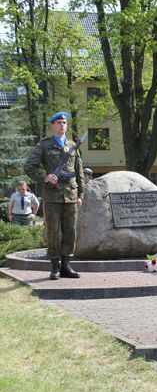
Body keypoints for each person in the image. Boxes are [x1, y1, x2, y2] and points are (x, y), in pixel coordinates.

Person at [24, 111, 84, 280]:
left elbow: (78, 172)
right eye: (58, 122)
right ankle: (55, 267)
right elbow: (29, 167)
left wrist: (80, 194)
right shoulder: (44, 145)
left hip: (71, 196)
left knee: (70, 231)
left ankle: (66, 265)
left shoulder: (72, 146)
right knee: (53, 231)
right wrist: (45, 177)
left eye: (64, 122)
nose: (62, 125)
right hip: (52, 196)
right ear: (52, 125)